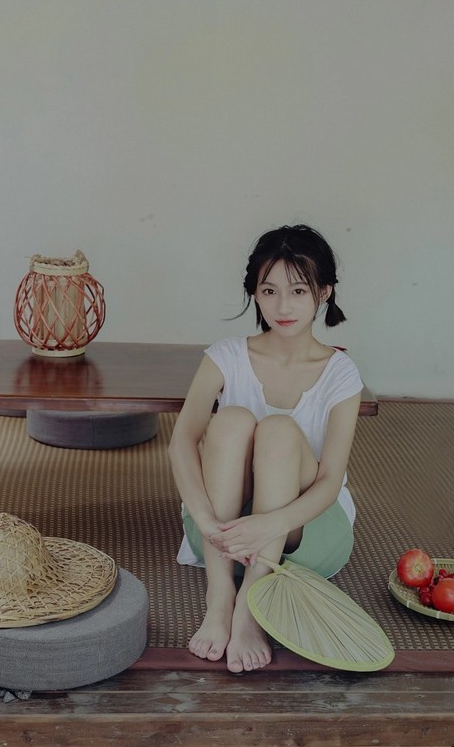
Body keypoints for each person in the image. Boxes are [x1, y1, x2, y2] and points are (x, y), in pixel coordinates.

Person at [168, 224, 363, 673]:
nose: (283, 306)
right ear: (254, 294)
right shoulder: (225, 356)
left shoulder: (341, 373)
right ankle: (220, 597)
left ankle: (254, 604)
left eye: (299, 291)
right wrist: (206, 522)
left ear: (324, 292)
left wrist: (271, 524)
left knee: (277, 431)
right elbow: (181, 442)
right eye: (269, 291)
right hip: (221, 535)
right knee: (232, 420)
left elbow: (330, 479)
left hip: (303, 533)